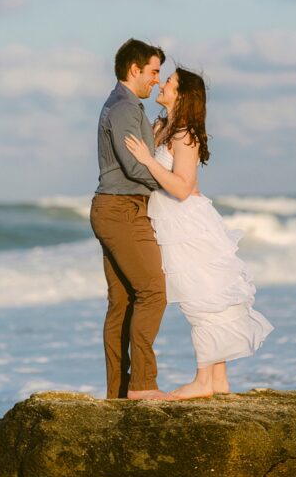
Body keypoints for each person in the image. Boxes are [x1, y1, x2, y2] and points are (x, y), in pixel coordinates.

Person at [124, 67, 273, 399]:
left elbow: (181, 187)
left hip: (187, 224)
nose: (163, 84)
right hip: (171, 223)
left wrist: (148, 161)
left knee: (202, 300)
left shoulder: (185, 134)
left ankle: (204, 381)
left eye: (170, 82)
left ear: (182, 95)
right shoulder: (162, 126)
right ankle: (217, 382)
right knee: (205, 298)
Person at [90, 38, 169, 400]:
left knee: (122, 303)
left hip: (119, 208)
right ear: (134, 69)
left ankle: (118, 393)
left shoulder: (127, 107)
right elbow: (134, 166)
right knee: (153, 292)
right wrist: (174, 185)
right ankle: (142, 385)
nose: (157, 79)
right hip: (122, 210)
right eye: (153, 71)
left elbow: (139, 157)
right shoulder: (123, 107)